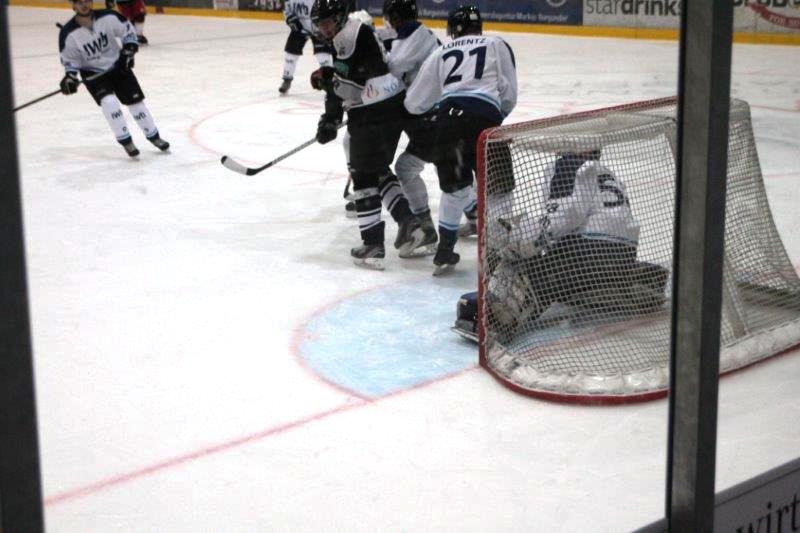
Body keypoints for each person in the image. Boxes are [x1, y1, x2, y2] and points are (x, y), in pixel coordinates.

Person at [473, 149, 669, 340]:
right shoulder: (605, 172)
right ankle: (630, 280)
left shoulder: (569, 164)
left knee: (524, 265)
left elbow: (562, 219)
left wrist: (519, 242)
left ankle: (497, 317)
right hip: (623, 256)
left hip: (586, 254)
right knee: (566, 276)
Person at [310, 0, 427, 270]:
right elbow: (346, 80)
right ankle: (409, 223)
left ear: (340, 17)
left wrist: (328, 84)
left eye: (327, 22)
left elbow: (353, 84)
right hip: (389, 106)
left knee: (362, 175)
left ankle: (373, 245)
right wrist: (331, 116)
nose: (324, 29)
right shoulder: (352, 33)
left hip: (373, 110)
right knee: (377, 170)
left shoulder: (349, 35)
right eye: (320, 24)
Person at [404, 5, 518, 275]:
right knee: (499, 190)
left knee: (454, 189)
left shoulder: (441, 52)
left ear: (453, 30)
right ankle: (495, 255)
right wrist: (495, 117)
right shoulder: (496, 44)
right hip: (485, 121)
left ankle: (444, 253)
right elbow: (509, 93)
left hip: (449, 124)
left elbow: (414, 103)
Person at [59, 0, 170, 157]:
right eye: (79, 2)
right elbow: (70, 60)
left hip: (118, 66)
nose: (84, 5)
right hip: (93, 74)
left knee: (136, 104)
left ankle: (154, 136)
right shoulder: (68, 32)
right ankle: (126, 140)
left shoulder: (108, 16)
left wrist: (129, 50)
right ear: (73, 6)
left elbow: (127, 31)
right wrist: (70, 77)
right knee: (109, 102)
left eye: (87, 0)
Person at [279, 0, 334, 94]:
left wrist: (321, 25)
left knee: (323, 56)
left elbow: (325, 9)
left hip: (319, 28)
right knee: (290, 54)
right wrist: (290, 19)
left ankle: (329, 81)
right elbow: (286, 9)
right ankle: (287, 80)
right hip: (299, 29)